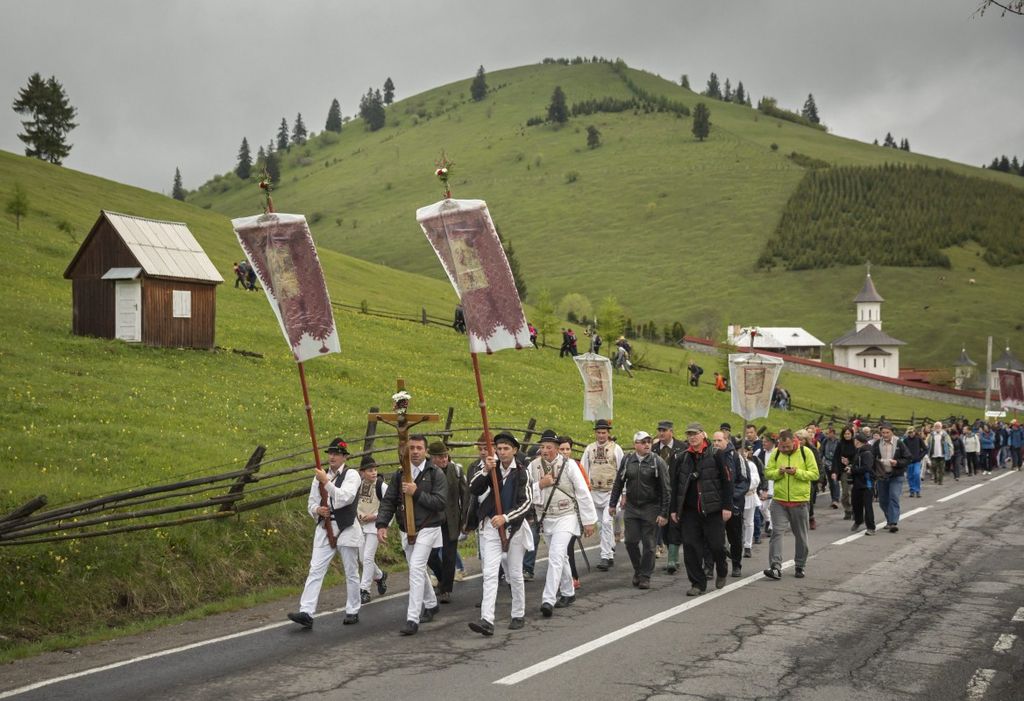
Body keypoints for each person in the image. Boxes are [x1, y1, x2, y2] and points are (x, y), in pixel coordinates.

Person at [287, 437, 364, 628]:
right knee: (315, 569)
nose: (332, 457)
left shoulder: (352, 475)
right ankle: (306, 611)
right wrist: (317, 510)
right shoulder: (319, 477)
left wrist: (326, 482)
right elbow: (311, 503)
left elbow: (345, 498)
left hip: (346, 526)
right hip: (325, 526)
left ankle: (353, 609)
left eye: (336, 453)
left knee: (351, 571)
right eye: (330, 453)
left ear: (344, 457)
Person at [376, 434, 448, 636]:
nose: (415, 451)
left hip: (428, 527)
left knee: (416, 568)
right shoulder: (400, 475)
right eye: (412, 448)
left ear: (425, 451)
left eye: (419, 448)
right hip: (406, 529)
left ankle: (412, 618)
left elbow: (441, 503)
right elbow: (389, 500)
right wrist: (382, 524)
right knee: (416, 568)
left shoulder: (435, 474)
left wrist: (416, 492)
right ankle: (432, 604)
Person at [467, 432, 534, 635]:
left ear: (514, 450)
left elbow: (526, 504)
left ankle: (518, 614)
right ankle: (487, 619)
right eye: (499, 448)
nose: (502, 452)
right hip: (492, 527)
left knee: (514, 573)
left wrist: (506, 517)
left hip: (514, 528)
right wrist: (486, 471)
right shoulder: (491, 470)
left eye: (506, 448)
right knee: (489, 573)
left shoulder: (522, 472)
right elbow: (473, 488)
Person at [530, 429, 597, 617]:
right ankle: (568, 592)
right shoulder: (533, 467)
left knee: (556, 555)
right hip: (545, 517)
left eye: (549, 447)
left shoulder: (569, 466)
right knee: (561, 557)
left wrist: (589, 521)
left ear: (557, 449)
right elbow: (525, 491)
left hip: (567, 515)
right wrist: (540, 485)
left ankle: (548, 599)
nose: (544, 450)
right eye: (542, 447)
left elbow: (582, 492)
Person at [670, 423, 733, 596]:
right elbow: (675, 486)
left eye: (695, 434)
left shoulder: (717, 454)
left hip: (712, 509)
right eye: (689, 434)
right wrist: (674, 510)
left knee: (716, 545)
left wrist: (727, 507)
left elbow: (727, 481)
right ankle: (697, 583)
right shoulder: (682, 457)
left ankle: (721, 568)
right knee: (690, 546)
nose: (692, 437)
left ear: (703, 435)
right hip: (690, 511)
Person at [609, 431, 670, 589]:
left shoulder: (657, 462)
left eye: (649, 442)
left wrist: (664, 513)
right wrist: (612, 503)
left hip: (651, 507)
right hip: (632, 507)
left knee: (649, 544)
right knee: (630, 541)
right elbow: (619, 482)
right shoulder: (628, 460)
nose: (647, 445)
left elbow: (666, 489)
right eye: (643, 442)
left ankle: (645, 576)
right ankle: (638, 569)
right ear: (635, 444)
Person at [762, 429, 818, 580]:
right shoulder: (776, 452)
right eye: (782, 446)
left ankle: (800, 565)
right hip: (779, 501)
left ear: (794, 441)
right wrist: (779, 473)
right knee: (777, 533)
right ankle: (775, 567)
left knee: (801, 536)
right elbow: (767, 473)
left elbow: (814, 474)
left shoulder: (806, 452)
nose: (784, 449)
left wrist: (797, 472)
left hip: (799, 501)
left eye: (787, 446)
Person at [425, 442, 467, 604]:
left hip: (452, 520)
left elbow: (465, 496)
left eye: (445, 456)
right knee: (430, 555)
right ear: (432, 458)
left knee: (450, 556)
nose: (444, 459)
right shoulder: (427, 472)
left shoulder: (455, 471)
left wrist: (464, 520)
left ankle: (445, 589)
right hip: (432, 520)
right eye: (440, 457)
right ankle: (443, 578)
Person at [581, 419, 624, 571]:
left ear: (608, 433)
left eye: (604, 432)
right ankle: (610, 548)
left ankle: (605, 556)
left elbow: (622, 471)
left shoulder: (616, 449)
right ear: (595, 433)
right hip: (594, 492)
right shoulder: (589, 449)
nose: (601, 435)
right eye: (598, 432)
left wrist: (623, 493)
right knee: (600, 524)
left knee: (606, 522)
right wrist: (585, 492)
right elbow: (584, 471)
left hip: (611, 492)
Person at [713, 431, 749, 578]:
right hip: (715, 504)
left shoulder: (736, 457)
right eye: (714, 441)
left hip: (733, 505)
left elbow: (745, 481)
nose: (716, 443)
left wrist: (730, 496)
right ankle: (710, 567)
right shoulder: (710, 457)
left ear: (727, 441)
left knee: (734, 537)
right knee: (713, 538)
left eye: (719, 440)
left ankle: (736, 564)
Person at [652, 421, 686, 574]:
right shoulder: (653, 449)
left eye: (664, 430)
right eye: (659, 430)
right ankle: (670, 551)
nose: (661, 433)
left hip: (675, 492)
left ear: (671, 431)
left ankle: (672, 559)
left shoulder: (682, 448)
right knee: (662, 527)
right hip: (658, 494)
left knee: (674, 525)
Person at [355, 454, 389, 604]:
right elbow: (355, 503)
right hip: (361, 526)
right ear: (362, 472)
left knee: (368, 557)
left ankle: (364, 590)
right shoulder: (358, 485)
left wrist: (375, 517)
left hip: (375, 525)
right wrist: (359, 515)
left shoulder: (382, 486)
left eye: (375, 470)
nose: (374, 473)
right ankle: (380, 576)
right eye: (370, 470)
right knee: (362, 559)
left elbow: (389, 506)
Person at [558, 437, 590, 589]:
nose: (565, 452)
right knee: (562, 548)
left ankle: (573, 577)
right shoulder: (552, 466)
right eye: (562, 449)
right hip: (557, 514)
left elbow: (586, 488)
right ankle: (567, 577)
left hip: (574, 513)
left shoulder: (576, 465)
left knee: (567, 546)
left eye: (567, 449)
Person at [872, 422, 911, 533]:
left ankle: (893, 522)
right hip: (882, 475)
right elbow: (872, 457)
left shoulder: (899, 443)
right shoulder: (877, 444)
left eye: (887, 432)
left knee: (894, 497)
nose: (885, 435)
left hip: (896, 475)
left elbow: (908, 458)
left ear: (892, 432)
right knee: (883, 500)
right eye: (883, 433)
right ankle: (889, 519)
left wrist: (897, 463)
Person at [848, 432, 877, 534]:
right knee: (856, 503)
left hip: (867, 482)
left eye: (855, 440)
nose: (854, 442)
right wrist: (850, 466)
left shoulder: (867, 453)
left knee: (867, 505)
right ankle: (858, 521)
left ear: (858, 441)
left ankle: (871, 527)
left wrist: (852, 470)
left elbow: (867, 468)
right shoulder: (859, 451)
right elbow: (857, 465)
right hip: (857, 482)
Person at [740, 442, 762, 559]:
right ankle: (735, 544)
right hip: (737, 498)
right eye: (740, 451)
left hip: (749, 496)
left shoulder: (751, 465)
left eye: (745, 451)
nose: (743, 453)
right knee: (736, 524)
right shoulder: (734, 464)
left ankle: (747, 545)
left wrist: (744, 487)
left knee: (749, 522)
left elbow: (755, 480)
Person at [833, 426, 858, 519]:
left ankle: (856, 511)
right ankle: (848, 509)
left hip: (854, 471)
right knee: (845, 493)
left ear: (852, 434)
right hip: (843, 471)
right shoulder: (840, 444)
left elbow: (857, 456)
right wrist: (834, 471)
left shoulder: (855, 444)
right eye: (845, 434)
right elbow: (835, 458)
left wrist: (850, 463)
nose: (847, 435)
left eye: (848, 434)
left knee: (854, 492)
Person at [925, 421, 953, 486]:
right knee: (933, 467)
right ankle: (935, 477)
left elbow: (950, 443)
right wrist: (926, 449)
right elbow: (927, 443)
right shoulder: (931, 435)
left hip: (942, 454)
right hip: (933, 454)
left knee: (942, 469)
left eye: (938, 426)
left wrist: (951, 451)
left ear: (941, 427)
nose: (937, 427)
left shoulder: (945, 434)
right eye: (936, 426)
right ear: (934, 427)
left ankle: (940, 481)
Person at [902, 426, 926, 497]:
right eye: (909, 433)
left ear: (914, 432)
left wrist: (920, 457)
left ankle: (917, 490)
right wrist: (906, 457)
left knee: (916, 474)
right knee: (910, 476)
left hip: (917, 461)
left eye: (912, 432)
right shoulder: (905, 440)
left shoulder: (919, 439)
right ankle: (912, 490)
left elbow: (925, 449)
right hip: (909, 461)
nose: (911, 434)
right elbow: (903, 450)